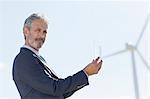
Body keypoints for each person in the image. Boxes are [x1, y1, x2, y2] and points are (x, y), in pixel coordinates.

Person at [12, 13, 103, 99]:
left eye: (44, 32)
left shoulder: (36, 58)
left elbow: (61, 92)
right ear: (26, 31)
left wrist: (87, 73)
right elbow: (55, 88)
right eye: (38, 30)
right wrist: (85, 72)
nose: (41, 36)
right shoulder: (24, 59)